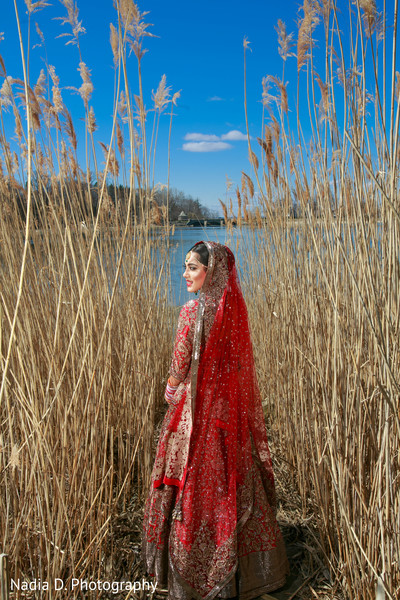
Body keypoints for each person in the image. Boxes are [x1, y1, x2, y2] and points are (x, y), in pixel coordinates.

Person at [142, 241, 289, 599]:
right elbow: (239, 370)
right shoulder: (233, 312)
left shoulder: (191, 313)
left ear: (212, 273)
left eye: (192, 267)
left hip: (193, 416)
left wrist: (171, 388)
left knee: (187, 484)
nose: (185, 274)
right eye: (186, 266)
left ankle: (184, 574)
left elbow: (178, 369)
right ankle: (251, 573)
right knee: (232, 483)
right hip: (225, 416)